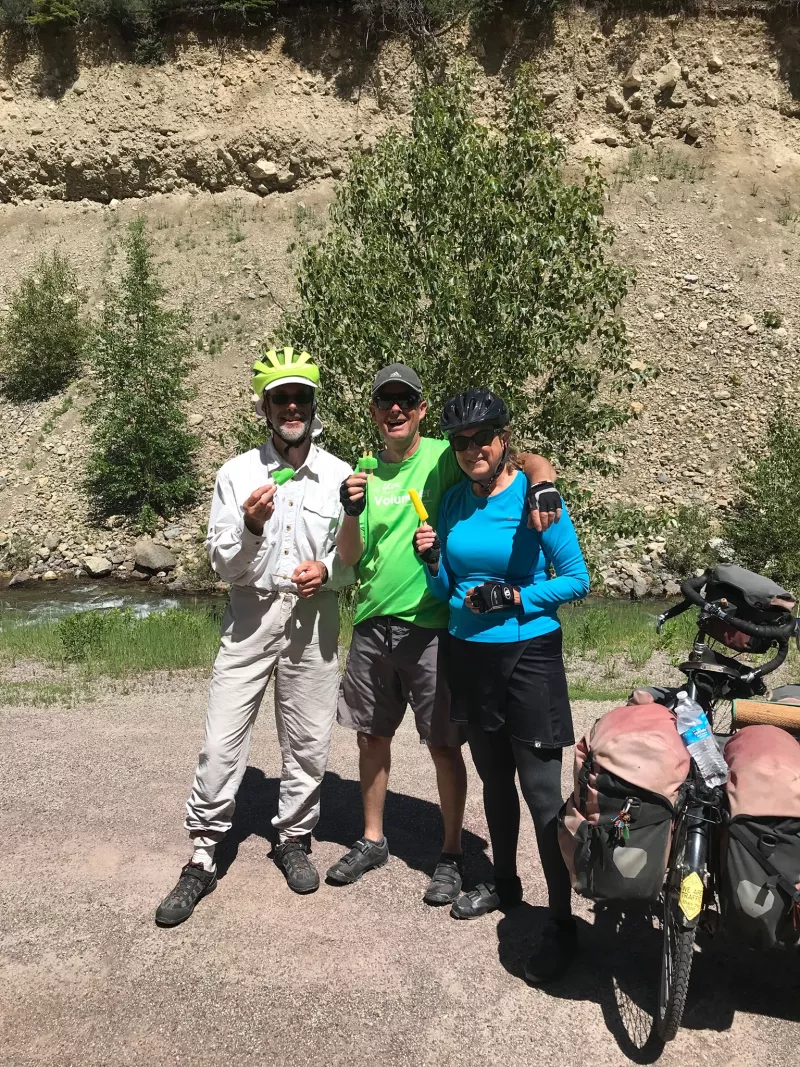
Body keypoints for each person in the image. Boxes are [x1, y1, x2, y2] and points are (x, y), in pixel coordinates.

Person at [329, 364, 561, 906]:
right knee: (371, 736)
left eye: (405, 401)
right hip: (372, 623)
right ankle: (371, 839)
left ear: (420, 410)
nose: (395, 409)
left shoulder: (443, 454)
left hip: (434, 628)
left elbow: (512, 457)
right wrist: (349, 511)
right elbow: (350, 556)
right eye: (385, 401)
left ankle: (453, 853)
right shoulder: (364, 472)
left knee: (443, 745)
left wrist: (544, 476)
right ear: (373, 411)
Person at [155, 347, 354, 926]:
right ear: (265, 408)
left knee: (310, 743)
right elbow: (222, 566)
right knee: (221, 742)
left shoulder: (340, 476)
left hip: (315, 620)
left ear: (315, 406)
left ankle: (293, 838)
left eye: (302, 398)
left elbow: (353, 557)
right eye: (280, 398)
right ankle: (202, 853)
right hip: (250, 615)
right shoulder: (237, 473)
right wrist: (248, 526)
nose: (292, 407)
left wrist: (333, 574)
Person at [414, 387, 589, 983]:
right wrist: (434, 563)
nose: (471, 450)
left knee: (542, 793)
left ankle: (562, 923)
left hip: (529, 654)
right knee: (493, 778)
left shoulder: (537, 497)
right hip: (469, 653)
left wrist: (516, 595)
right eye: (461, 442)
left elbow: (575, 579)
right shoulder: (455, 502)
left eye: (482, 438)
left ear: (503, 437)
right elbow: (445, 592)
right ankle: (506, 884)